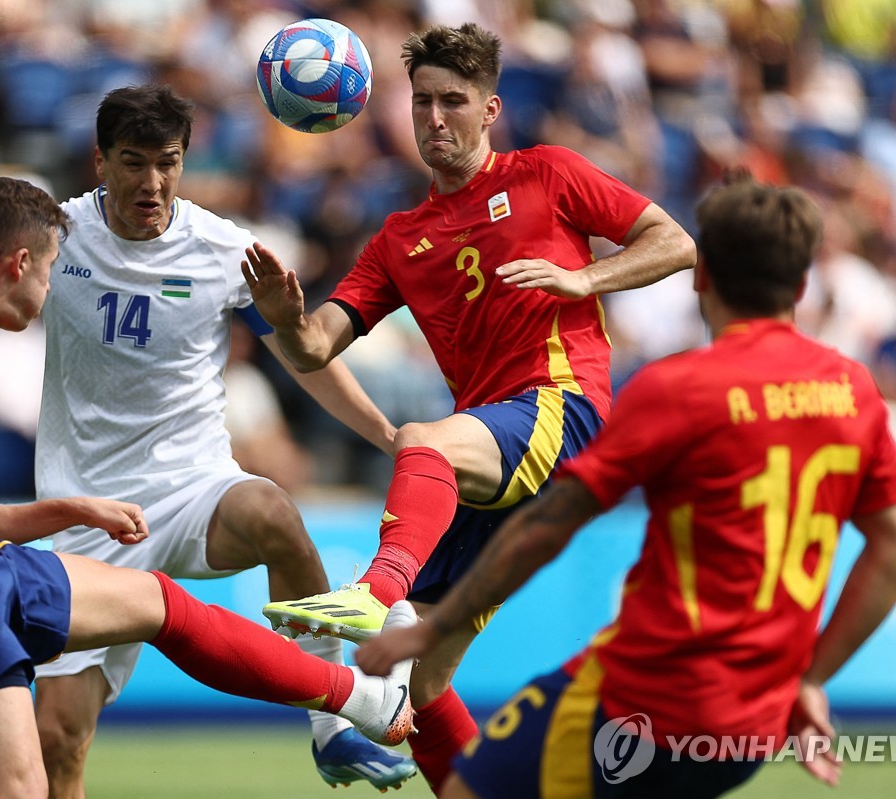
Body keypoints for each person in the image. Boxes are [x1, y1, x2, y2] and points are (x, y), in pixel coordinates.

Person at [0, 176, 417, 799]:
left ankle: (360, 697)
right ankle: (355, 698)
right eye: (48, 271)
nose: (50, 288)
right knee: (24, 784)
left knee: (162, 605)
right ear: (19, 263)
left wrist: (67, 510)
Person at [356, 175, 896, 798]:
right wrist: (812, 679)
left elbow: (548, 526)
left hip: (646, 700)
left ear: (702, 276)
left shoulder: (679, 389)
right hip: (754, 726)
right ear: (803, 285)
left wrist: (431, 628)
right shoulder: (853, 390)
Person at [249, 22, 696, 791]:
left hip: (562, 412)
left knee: (424, 438)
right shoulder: (399, 238)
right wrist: (285, 316)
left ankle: (371, 591)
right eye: (421, 102)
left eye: (452, 101)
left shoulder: (548, 174)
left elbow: (675, 240)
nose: (434, 119)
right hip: (489, 458)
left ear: (490, 109)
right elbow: (318, 344)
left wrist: (586, 280)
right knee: (423, 681)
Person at [30, 83, 415, 796]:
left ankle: (331, 724)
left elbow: (306, 360)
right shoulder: (57, 235)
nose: (152, 182)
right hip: (83, 511)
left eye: (168, 162)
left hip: (192, 488)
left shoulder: (223, 249)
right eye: (133, 161)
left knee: (273, 512)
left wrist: (389, 435)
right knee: (58, 738)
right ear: (100, 162)